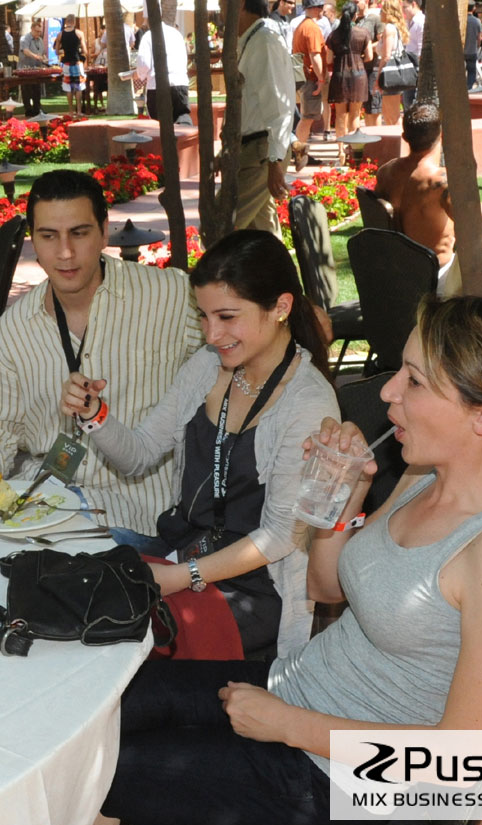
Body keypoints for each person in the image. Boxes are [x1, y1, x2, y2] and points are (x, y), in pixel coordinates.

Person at [94, 291, 482, 825]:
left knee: (97, 772)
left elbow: (464, 756)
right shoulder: (424, 477)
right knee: (96, 713)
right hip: (290, 687)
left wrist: (291, 726)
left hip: (334, 781)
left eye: (414, 381)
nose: (387, 391)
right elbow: (324, 588)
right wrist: (344, 496)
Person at [61, 230, 336, 661]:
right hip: (182, 557)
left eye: (226, 317)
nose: (211, 334)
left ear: (281, 307)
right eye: (204, 317)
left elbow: (281, 537)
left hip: (250, 590)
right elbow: (140, 454)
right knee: (68, 584)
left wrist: (182, 577)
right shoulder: (208, 366)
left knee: (108, 642)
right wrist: (95, 415)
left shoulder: (308, 402)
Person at [0, 170, 203, 551]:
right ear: (33, 238)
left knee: (54, 573)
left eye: (79, 233)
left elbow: (235, 351)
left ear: (104, 231)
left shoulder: (172, 296)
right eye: (49, 236)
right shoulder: (14, 329)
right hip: (45, 503)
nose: (64, 252)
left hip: (141, 513)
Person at [374, 104, 482, 295]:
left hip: (400, 273)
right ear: (442, 136)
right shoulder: (442, 183)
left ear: (405, 137)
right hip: (437, 281)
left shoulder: (385, 173)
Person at [235, 0, 296, 236]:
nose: (221, 14)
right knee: (262, 232)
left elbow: (278, 104)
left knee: (220, 225)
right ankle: (277, 273)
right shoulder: (256, 38)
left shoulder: (264, 40)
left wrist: (274, 161)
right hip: (255, 148)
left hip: (261, 150)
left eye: (222, 7)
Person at [326, 1, 373, 142]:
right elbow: (369, 56)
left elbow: (328, 59)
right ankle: (352, 149)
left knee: (340, 115)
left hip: (340, 75)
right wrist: (358, 59)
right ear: (355, 15)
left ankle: (340, 149)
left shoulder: (333, 35)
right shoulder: (363, 33)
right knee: (355, 114)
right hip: (358, 75)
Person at [135, 19, 192, 124]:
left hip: (157, 85)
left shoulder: (149, 36)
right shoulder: (176, 34)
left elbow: (144, 63)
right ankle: (187, 139)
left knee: (159, 123)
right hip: (180, 83)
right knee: (182, 117)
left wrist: (138, 74)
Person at [292, 0, 328, 143]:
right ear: (313, 8)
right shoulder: (311, 28)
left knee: (307, 116)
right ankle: (300, 151)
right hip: (310, 78)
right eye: (320, 7)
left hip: (305, 76)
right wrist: (320, 79)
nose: (322, 10)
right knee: (307, 118)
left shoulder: (302, 26)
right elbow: (315, 55)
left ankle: (301, 150)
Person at [375, 0, 409, 126]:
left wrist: (378, 77)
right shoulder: (396, 28)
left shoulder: (389, 28)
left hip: (389, 73)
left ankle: (399, 143)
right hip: (395, 73)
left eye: (382, 10)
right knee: (390, 114)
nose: (380, 13)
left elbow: (386, 56)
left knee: (392, 115)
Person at [356, 0, 385, 126]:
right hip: (359, 68)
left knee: (374, 107)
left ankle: (378, 141)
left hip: (373, 67)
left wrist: (366, 49)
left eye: (357, 1)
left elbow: (382, 41)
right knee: (366, 107)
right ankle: (369, 139)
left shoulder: (375, 19)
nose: (355, 4)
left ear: (366, 1)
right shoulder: (355, 21)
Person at [56, 14, 89, 115]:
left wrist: (63, 51)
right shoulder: (79, 33)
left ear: (66, 22)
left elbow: (57, 51)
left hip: (66, 63)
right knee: (78, 86)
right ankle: (79, 111)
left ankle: (70, 111)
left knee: (68, 87)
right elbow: (84, 50)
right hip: (77, 62)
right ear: (74, 22)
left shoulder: (60, 34)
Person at [19, 20, 50, 117]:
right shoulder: (25, 38)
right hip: (25, 68)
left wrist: (44, 58)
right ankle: (28, 110)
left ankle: (37, 109)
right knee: (27, 89)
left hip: (37, 68)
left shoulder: (40, 40)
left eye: (40, 31)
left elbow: (42, 53)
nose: (39, 33)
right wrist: (36, 56)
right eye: (37, 31)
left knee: (36, 89)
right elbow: (25, 51)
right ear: (32, 29)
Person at [464, 2, 482, 89]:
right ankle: (469, 88)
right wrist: (478, 46)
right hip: (472, 50)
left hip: (461, 50)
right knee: (471, 71)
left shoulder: (461, 20)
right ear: (474, 8)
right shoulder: (477, 21)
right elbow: (479, 37)